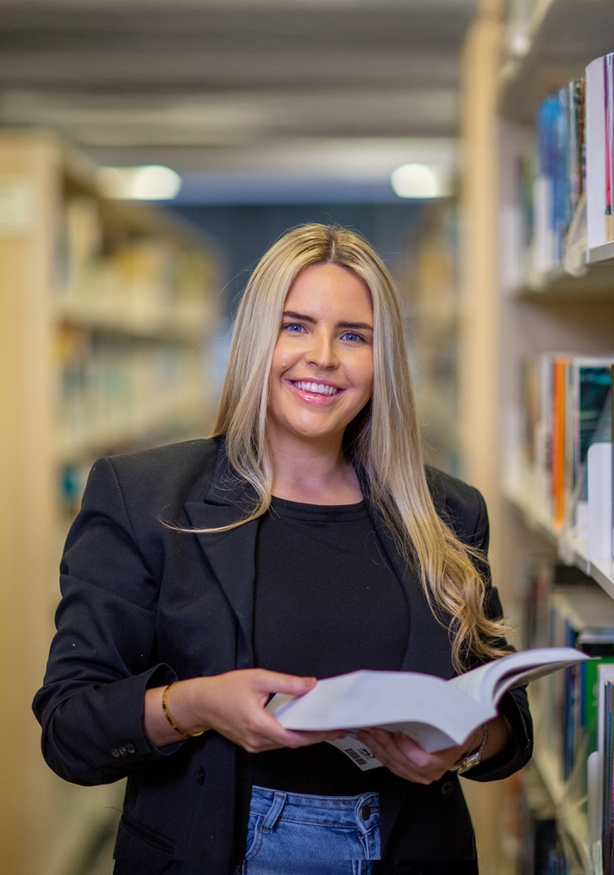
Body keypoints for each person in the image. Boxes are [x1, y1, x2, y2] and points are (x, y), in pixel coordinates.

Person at [32, 223, 533, 874]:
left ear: (383, 361)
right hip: (219, 852)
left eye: (353, 336)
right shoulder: (143, 497)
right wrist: (194, 705)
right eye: (294, 326)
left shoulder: (446, 511)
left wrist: (467, 743)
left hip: (411, 850)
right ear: (252, 341)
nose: (322, 356)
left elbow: (507, 725)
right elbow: (71, 729)